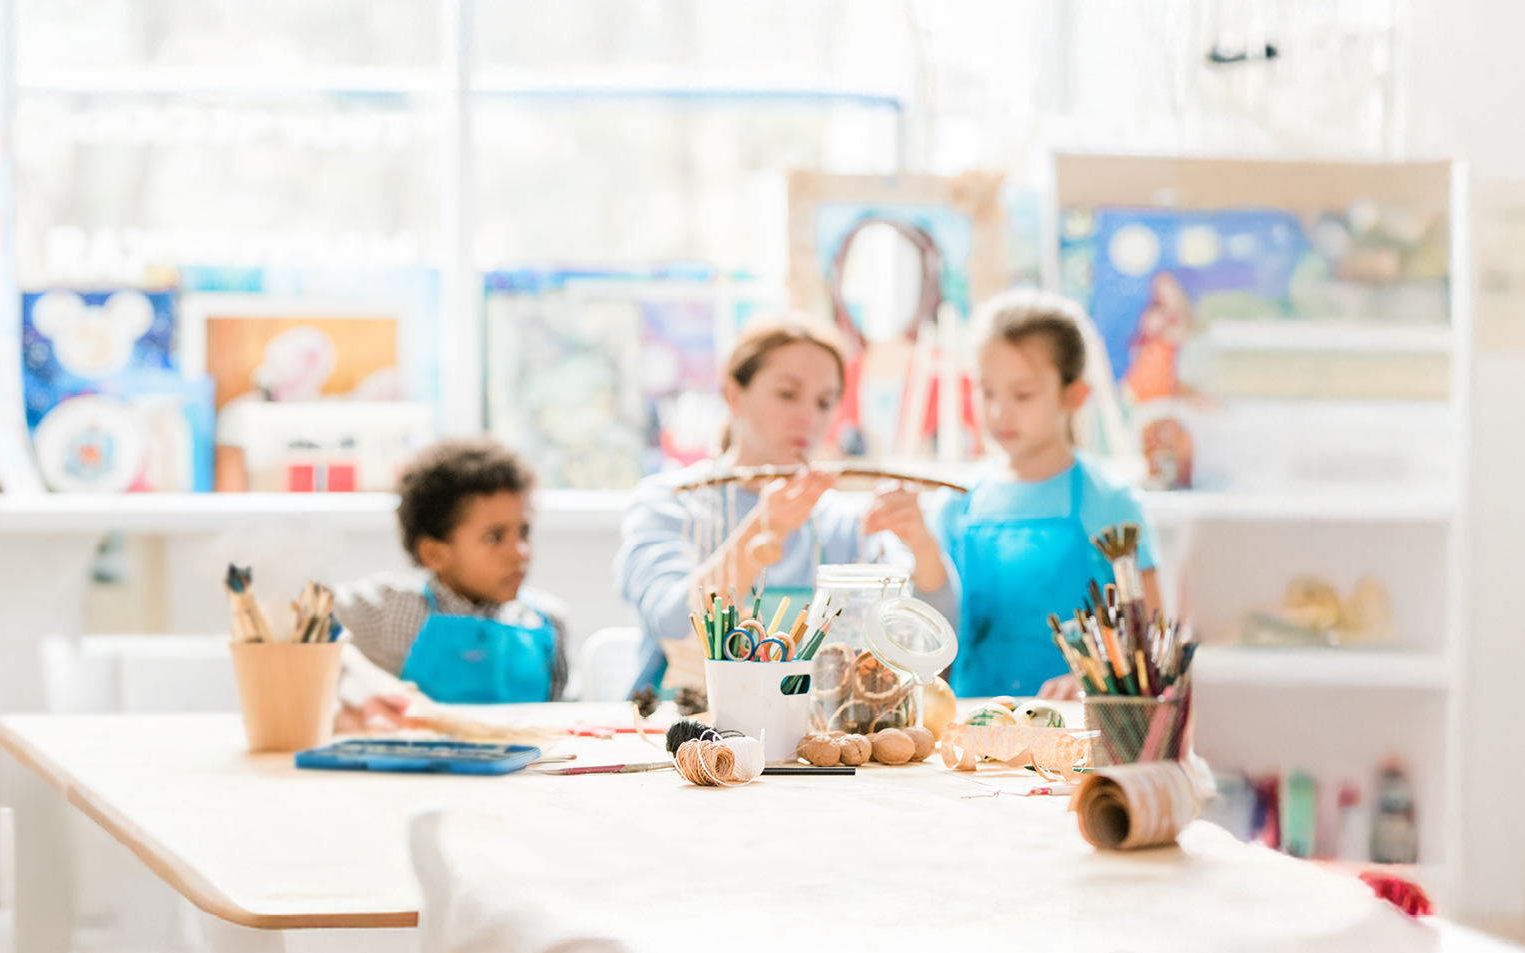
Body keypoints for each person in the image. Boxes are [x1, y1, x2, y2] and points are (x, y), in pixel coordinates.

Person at [616, 314, 955, 692]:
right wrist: (763, 533)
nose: (808, 418)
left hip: (811, 742)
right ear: (733, 395)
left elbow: (930, 644)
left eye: (825, 402)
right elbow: (673, 624)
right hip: (682, 736)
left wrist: (923, 547)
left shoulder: (848, 525)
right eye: (787, 394)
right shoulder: (672, 504)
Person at [931, 289, 1161, 701]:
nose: (1000, 412)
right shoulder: (956, 502)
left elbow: (1149, 629)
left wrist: (1096, 676)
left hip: (1076, 734)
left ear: (1074, 395)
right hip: (971, 733)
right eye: (987, 391)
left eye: (1022, 395)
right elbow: (933, 633)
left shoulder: (1109, 500)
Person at [334, 437, 570, 725]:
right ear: (434, 553)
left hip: (528, 769)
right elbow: (298, 617)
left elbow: (566, 718)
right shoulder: (391, 609)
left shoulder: (548, 622)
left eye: (523, 531)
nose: (519, 552)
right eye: (495, 537)